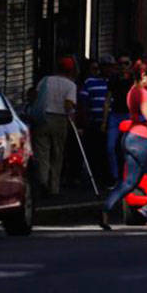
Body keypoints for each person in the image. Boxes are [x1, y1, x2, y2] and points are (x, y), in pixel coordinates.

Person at [99, 60, 147, 231]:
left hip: (130, 138)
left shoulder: (131, 91)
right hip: (144, 139)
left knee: (130, 181)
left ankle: (106, 209)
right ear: (143, 76)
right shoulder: (142, 93)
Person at [32, 57, 79, 196]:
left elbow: (35, 96)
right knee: (57, 154)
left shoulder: (45, 80)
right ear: (71, 70)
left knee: (42, 152)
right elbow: (68, 105)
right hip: (60, 119)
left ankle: (43, 180)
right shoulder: (71, 85)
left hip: (43, 117)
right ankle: (54, 187)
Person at [79, 58, 111, 186]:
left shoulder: (113, 82)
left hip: (110, 124)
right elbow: (83, 102)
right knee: (93, 152)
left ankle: (105, 178)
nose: (108, 70)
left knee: (106, 152)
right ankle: (94, 179)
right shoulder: (90, 82)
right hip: (93, 122)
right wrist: (85, 120)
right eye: (105, 67)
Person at [105, 54, 133, 187]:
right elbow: (107, 99)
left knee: (128, 147)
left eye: (126, 63)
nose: (123, 67)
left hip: (129, 115)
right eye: (120, 64)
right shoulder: (113, 79)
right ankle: (115, 176)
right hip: (115, 115)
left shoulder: (134, 80)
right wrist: (104, 121)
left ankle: (127, 176)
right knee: (110, 147)